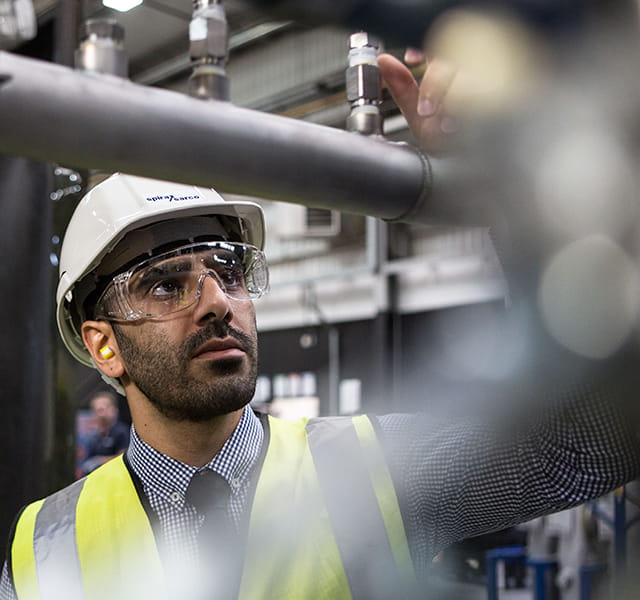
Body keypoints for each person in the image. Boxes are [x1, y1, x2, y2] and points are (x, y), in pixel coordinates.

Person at [1, 52, 639, 600]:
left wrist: (517, 177)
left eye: (229, 270)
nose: (218, 301)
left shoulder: (379, 472)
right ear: (103, 344)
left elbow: (593, 445)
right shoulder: (45, 548)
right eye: (167, 285)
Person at [78, 389, 130, 477]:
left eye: (103, 408)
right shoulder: (93, 436)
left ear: (114, 410)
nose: (100, 413)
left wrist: (99, 461)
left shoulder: (121, 432)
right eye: (97, 409)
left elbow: (124, 458)